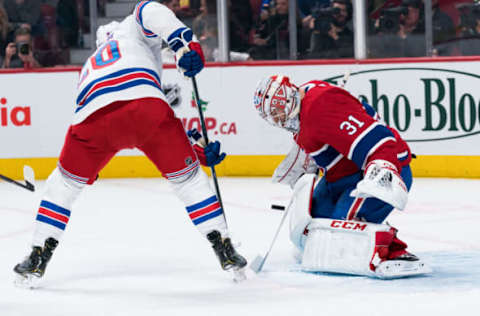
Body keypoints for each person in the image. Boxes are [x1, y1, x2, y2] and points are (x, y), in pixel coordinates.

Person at [13, 0, 246, 286]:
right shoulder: (131, 29)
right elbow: (149, 10)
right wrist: (184, 43)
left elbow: (107, 117)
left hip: (92, 117)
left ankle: (38, 255)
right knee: (189, 182)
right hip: (145, 107)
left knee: (62, 186)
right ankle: (224, 246)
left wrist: (84, 170)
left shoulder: (90, 65)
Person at [253, 75, 430, 278]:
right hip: (343, 175)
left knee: (339, 238)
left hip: (380, 168)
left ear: (286, 99)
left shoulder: (320, 106)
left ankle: (391, 250)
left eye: (277, 113)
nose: (278, 120)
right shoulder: (302, 104)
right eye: (272, 117)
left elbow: (378, 140)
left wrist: (382, 169)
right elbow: (321, 136)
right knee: (309, 233)